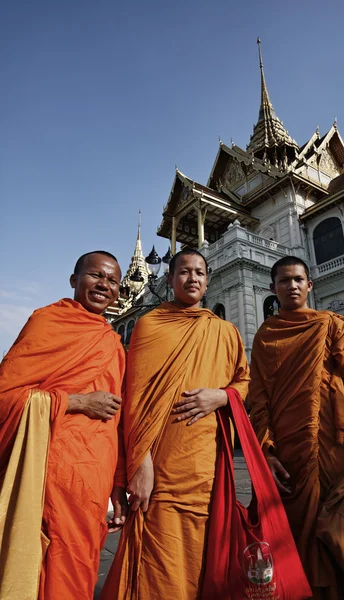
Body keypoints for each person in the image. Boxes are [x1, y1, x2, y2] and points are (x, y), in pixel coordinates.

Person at [102, 248, 250, 600]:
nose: (192, 278)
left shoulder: (225, 331)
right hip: (161, 464)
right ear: (169, 280)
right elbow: (135, 397)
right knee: (158, 556)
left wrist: (222, 396)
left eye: (199, 272)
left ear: (208, 279)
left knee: (204, 551)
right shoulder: (149, 325)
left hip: (207, 464)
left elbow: (243, 383)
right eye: (184, 272)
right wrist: (141, 463)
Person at [248, 255, 344, 599]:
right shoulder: (266, 335)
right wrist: (264, 451)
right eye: (284, 281)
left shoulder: (331, 324)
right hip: (287, 449)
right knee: (292, 530)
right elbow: (259, 397)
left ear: (309, 285)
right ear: (273, 289)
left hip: (333, 444)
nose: (292, 286)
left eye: (298, 279)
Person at [0, 251, 127, 600]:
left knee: (80, 565)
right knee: (47, 564)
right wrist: (77, 402)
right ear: (74, 280)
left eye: (112, 280)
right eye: (95, 276)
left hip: (94, 477)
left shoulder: (112, 343)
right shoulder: (46, 322)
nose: (104, 285)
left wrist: (118, 487)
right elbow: (5, 396)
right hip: (48, 470)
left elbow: (117, 419)